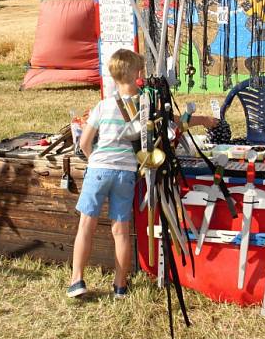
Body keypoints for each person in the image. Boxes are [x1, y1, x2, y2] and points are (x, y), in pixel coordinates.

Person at [67, 49, 217, 299]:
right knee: (121, 231)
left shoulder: (103, 106)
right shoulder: (147, 106)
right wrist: (201, 119)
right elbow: (174, 123)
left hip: (99, 170)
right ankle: (120, 285)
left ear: (113, 76)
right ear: (138, 75)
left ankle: (77, 280)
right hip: (126, 173)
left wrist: (94, 159)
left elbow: (84, 142)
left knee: (86, 225)